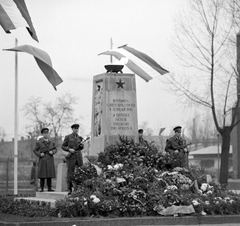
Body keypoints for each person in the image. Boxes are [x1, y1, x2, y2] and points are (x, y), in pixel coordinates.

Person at [61, 124, 84, 195]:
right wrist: (69, 149)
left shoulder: (80, 138)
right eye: (75, 129)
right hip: (71, 157)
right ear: (72, 129)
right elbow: (63, 146)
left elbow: (81, 148)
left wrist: (81, 146)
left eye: (77, 129)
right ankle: (69, 189)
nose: (76, 130)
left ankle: (79, 188)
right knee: (70, 172)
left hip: (79, 156)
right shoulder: (68, 137)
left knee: (80, 171)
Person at [33, 128, 57, 192]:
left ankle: (49, 188)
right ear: (43, 134)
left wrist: (53, 152)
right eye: (44, 133)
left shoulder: (51, 142)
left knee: (49, 174)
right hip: (43, 159)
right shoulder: (39, 142)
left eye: (47, 133)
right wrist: (40, 154)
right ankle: (42, 188)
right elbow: (35, 150)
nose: (46, 134)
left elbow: (55, 149)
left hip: (50, 158)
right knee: (42, 175)